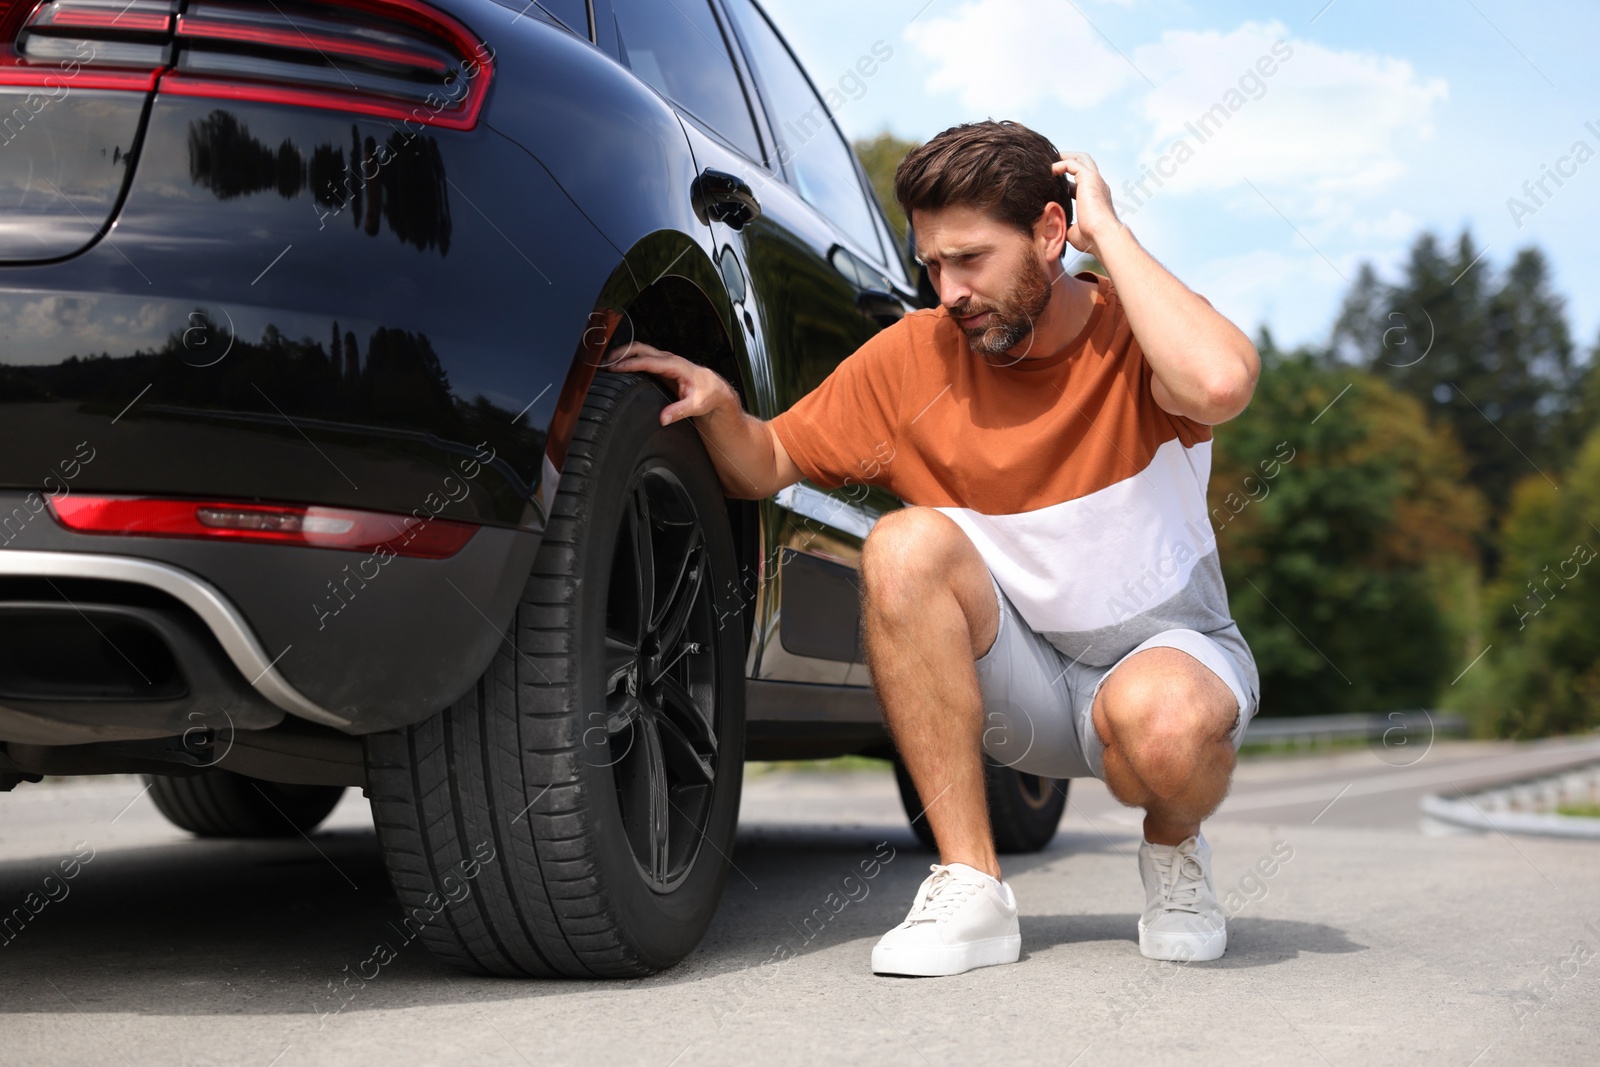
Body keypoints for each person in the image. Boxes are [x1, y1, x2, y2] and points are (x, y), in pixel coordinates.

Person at [605, 119, 1261, 977]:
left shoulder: (1133, 328)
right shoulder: (914, 358)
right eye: (930, 265)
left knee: (1165, 728)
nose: (946, 290)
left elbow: (1220, 383)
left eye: (971, 260)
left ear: (1052, 235)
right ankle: (971, 887)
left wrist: (1114, 236)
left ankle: (1175, 851)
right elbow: (765, 462)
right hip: (1016, 680)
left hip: (1157, 661)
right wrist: (722, 404)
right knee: (903, 544)